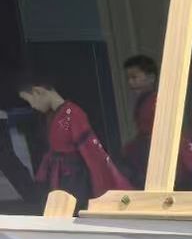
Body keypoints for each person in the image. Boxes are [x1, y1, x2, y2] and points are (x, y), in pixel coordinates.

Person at [15, 72, 130, 202]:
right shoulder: (53, 115)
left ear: (38, 91)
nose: (33, 106)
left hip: (76, 178)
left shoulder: (72, 113)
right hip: (62, 177)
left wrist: (102, 181)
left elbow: (91, 150)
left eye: (30, 101)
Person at [121, 54, 192, 188]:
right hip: (149, 152)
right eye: (128, 79)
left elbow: (168, 131)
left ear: (151, 78)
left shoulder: (157, 102)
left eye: (134, 77)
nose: (131, 82)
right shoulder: (144, 101)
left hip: (164, 155)